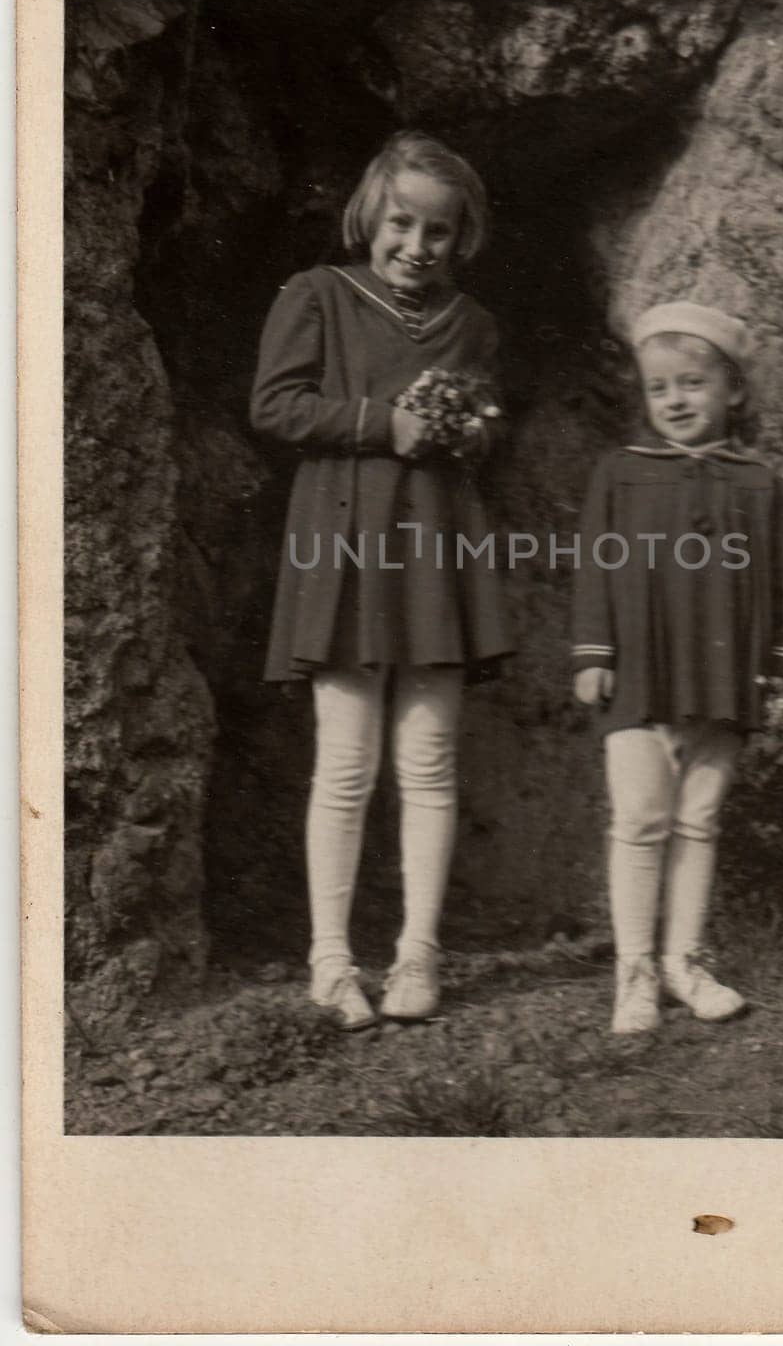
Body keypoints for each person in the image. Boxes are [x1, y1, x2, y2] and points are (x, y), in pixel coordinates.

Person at [251, 130, 510, 1029]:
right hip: (345, 545)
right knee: (348, 764)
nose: (416, 247)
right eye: (402, 223)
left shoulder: (472, 324)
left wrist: (469, 432)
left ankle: (417, 958)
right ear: (370, 215)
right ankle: (332, 962)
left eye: (438, 232)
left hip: (436, 552)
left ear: (460, 236)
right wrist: (380, 424)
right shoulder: (318, 293)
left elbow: (482, 422)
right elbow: (275, 405)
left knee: (430, 762)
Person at [571, 301, 783, 1034]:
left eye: (692, 383)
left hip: (724, 676)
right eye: (658, 387)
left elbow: (777, 582)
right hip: (638, 672)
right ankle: (634, 974)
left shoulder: (759, 483)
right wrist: (594, 653)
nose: (674, 400)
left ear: (732, 390)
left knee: (697, 821)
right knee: (640, 819)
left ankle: (686, 964)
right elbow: (596, 569)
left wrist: (781, 667)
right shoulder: (621, 474)